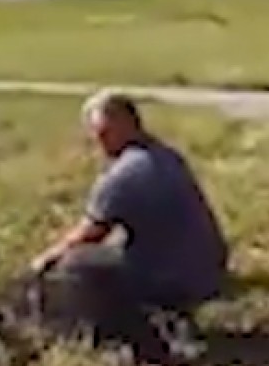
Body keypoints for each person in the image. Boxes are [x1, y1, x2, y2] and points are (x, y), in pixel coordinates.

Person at [29, 90, 230, 347]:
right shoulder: (168, 156)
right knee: (116, 252)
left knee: (75, 263)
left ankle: (123, 329)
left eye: (104, 134)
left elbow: (90, 233)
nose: (100, 143)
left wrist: (46, 259)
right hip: (208, 267)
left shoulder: (125, 175)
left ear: (126, 125)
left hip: (176, 278)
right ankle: (171, 312)